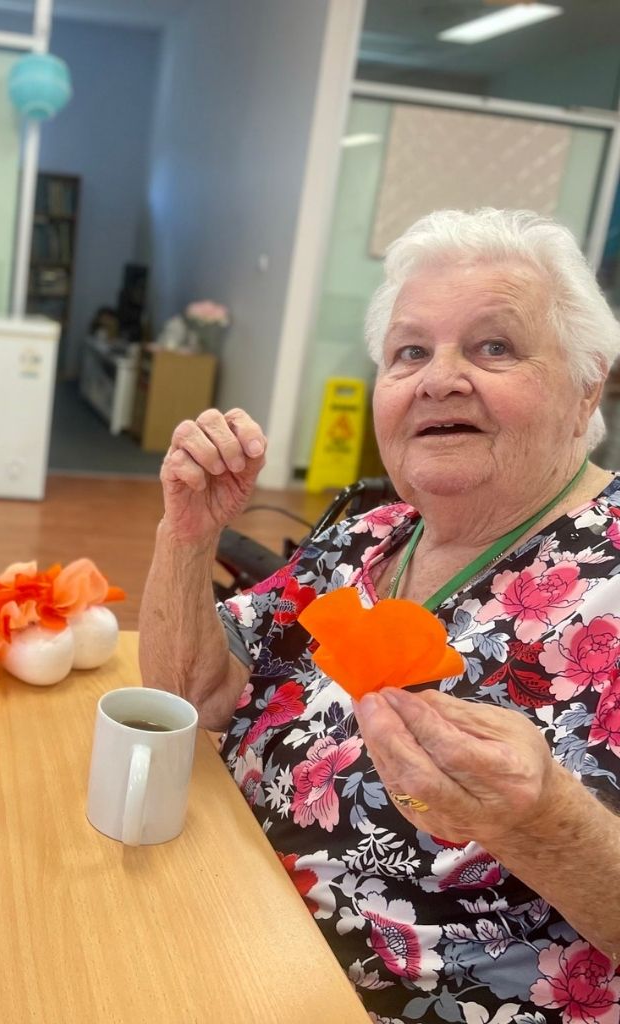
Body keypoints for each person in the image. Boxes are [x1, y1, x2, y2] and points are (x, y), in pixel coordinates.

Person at [140, 209, 620, 1021]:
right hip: (209, 923)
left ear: (586, 387)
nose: (439, 378)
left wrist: (547, 824)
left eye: (493, 346)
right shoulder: (369, 536)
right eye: (410, 352)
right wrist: (188, 534)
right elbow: (192, 691)